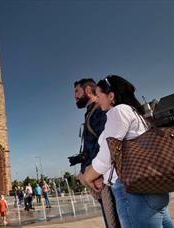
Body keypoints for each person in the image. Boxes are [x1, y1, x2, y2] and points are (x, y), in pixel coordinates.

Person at [84, 75, 174, 228]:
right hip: (152, 189)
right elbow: (120, 153)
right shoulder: (134, 113)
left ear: (111, 96)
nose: (97, 101)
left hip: (134, 193)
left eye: (99, 96)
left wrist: (88, 176)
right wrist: (104, 178)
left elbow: (108, 155)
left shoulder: (118, 111)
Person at [70, 78, 116, 228]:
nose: (75, 96)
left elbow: (107, 143)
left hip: (105, 180)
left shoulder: (99, 110)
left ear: (88, 91)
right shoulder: (91, 112)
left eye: (77, 91)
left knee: (114, 222)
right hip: (101, 177)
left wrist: (96, 173)